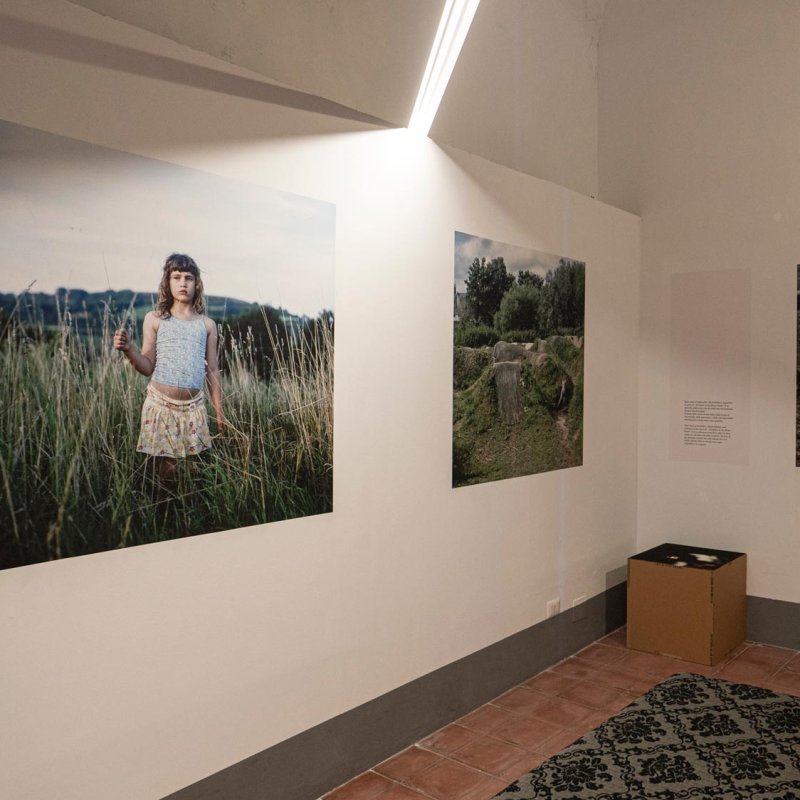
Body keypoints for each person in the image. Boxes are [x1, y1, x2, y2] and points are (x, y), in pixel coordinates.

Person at [113, 253, 226, 491]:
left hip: (194, 408)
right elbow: (147, 366)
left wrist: (219, 412)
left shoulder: (207, 325)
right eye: (177, 277)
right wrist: (129, 350)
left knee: (191, 473)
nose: (183, 283)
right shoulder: (155, 319)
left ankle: (186, 510)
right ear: (167, 282)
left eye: (188, 278)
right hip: (161, 405)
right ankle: (160, 509)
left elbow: (213, 370)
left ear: (197, 284)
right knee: (165, 473)